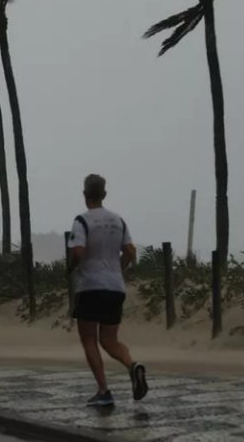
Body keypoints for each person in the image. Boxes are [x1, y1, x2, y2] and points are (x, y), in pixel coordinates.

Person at [67, 174, 147, 407]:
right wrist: (118, 268)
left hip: (90, 286)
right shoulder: (118, 221)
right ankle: (132, 365)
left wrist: (71, 268)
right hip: (115, 287)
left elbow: (78, 251)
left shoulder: (82, 221)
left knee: (89, 339)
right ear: (104, 194)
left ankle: (103, 390)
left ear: (85, 194)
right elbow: (131, 251)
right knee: (110, 340)